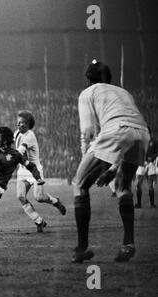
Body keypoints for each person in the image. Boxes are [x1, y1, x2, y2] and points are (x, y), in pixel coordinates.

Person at [72, 60, 150, 263]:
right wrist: (111, 169)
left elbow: (88, 132)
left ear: (88, 79)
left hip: (116, 130)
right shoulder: (124, 92)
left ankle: (82, 248)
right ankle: (128, 244)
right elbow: (128, 133)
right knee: (124, 186)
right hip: (142, 133)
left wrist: (85, 163)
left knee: (80, 184)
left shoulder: (87, 93)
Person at [13, 110, 66, 232]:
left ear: (28, 125)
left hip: (34, 170)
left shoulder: (30, 136)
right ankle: (39, 221)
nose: (19, 125)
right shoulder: (17, 133)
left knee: (39, 197)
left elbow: (20, 151)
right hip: (22, 170)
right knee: (20, 197)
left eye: (22, 123)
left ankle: (55, 201)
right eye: (18, 122)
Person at [134, 128, 158, 208]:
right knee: (138, 185)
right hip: (141, 165)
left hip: (150, 164)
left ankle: (152, 204)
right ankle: (139, 204)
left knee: (150, 185)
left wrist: (152, 158)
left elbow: (157, 152)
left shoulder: (154, 141)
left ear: (150, 132)